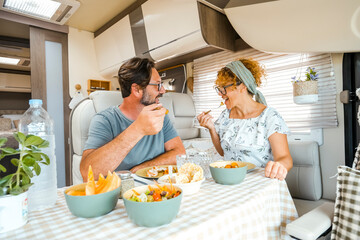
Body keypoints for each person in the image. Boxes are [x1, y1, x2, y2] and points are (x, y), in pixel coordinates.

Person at [80, 57, 186, 181]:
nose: (163, 90)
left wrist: (141, 170)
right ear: (136, 89)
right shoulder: (105, 120)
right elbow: (88, 173)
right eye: (158, 85)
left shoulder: (160, 116)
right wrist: (138, 129)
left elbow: (179, 153)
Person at [197, 58, 292, 180]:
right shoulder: (225, 116)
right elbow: (222, 152)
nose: (220, 94)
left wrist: (279, 165)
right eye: (219, 89)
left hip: (260, 183)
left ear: (242, 86)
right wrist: (211, 128)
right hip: (229, 179)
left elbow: (285, 158)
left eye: (224, 88)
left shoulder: (269, 116)